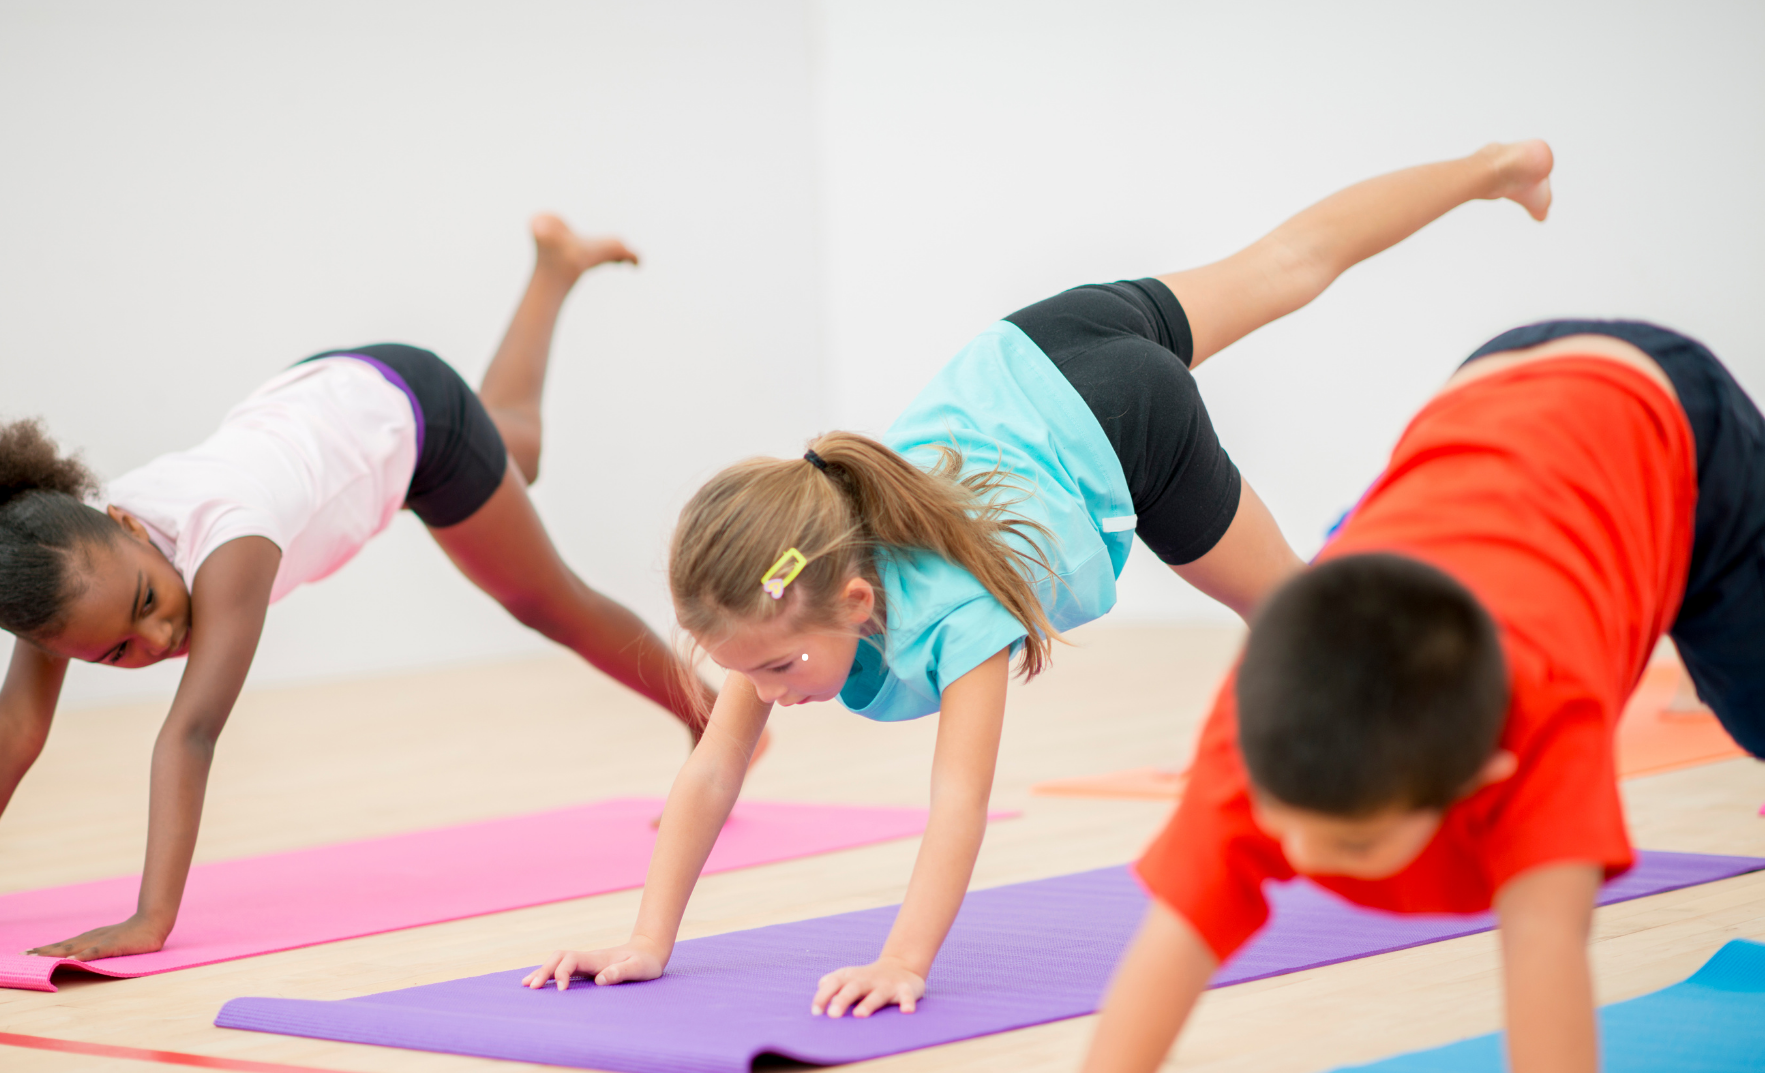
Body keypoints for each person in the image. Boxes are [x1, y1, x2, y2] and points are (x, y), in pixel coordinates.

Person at [522, 143, 1558, 1018]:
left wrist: (905, 960)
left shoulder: (950, 612)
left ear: (854, 599)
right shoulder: (783, 594)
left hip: (1124, 420)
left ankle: (1410, 556)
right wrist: (646, 936)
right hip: (1034, 348)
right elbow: (711, 770)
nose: (771, 691)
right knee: (1287, 263)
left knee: (1297, 614)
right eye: (747, 670)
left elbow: (959, 802)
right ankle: (1496, 167)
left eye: (782, 667)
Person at [910, 319, 1765, 1073]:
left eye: (1353, 843)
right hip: (1484, 396)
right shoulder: (1271, 715)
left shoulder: (1542, 726)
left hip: (1666, 420)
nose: (1309, 865)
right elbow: (1178, 934)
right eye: (1287, 829)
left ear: (1485, 778)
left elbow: (1547, 942)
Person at [0, 216, 712, 962]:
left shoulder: (231, 542)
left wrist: (152, 919)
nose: (155, 640)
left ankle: (710, 719)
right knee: (517, 446)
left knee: (545, 598)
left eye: (149, 604)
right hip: (324, 396)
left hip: (411, 416)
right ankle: (555, 268)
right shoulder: (66, 574)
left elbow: (190, 733)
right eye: (116, 651)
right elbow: (14, 725)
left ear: (126, 522)